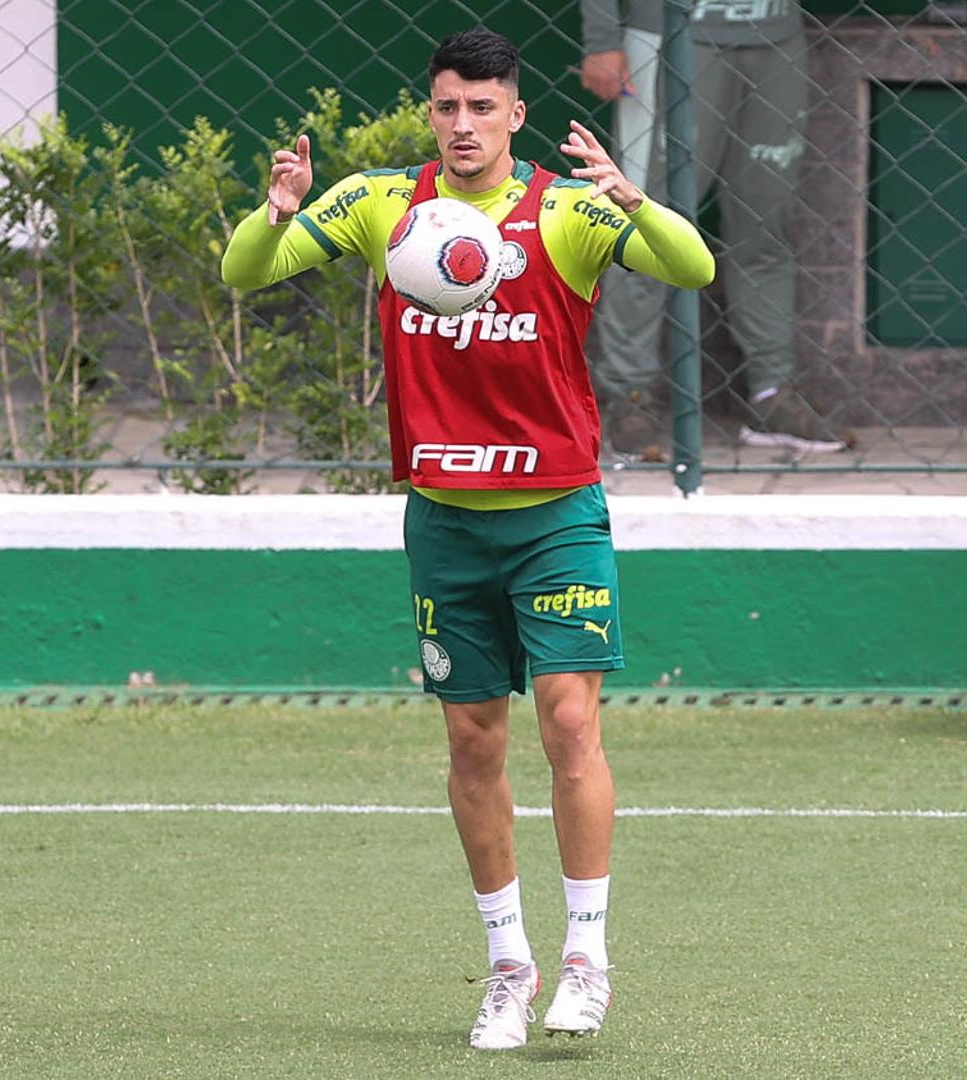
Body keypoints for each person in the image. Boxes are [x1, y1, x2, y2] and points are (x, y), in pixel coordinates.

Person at [221, 29, 715, 1047]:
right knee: (470, 739)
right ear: (430, 110)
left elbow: (694, 266)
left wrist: (633, 200)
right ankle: (508, 968)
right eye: (447, 106)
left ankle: (588, 956)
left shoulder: (567, 213)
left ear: (515, 115)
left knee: (570, 726)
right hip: (445, 520)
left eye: (482, 107)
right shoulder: (377, 205)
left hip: (557, 515)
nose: (462, 125)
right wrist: (274, 215)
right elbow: (243, 273)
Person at [578, 0, 846, 458]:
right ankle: (629, 393)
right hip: (669, 36)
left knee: (766, 226)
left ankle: (771, 391)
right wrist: (602, 38)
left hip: (776, 33)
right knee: (640, 223)